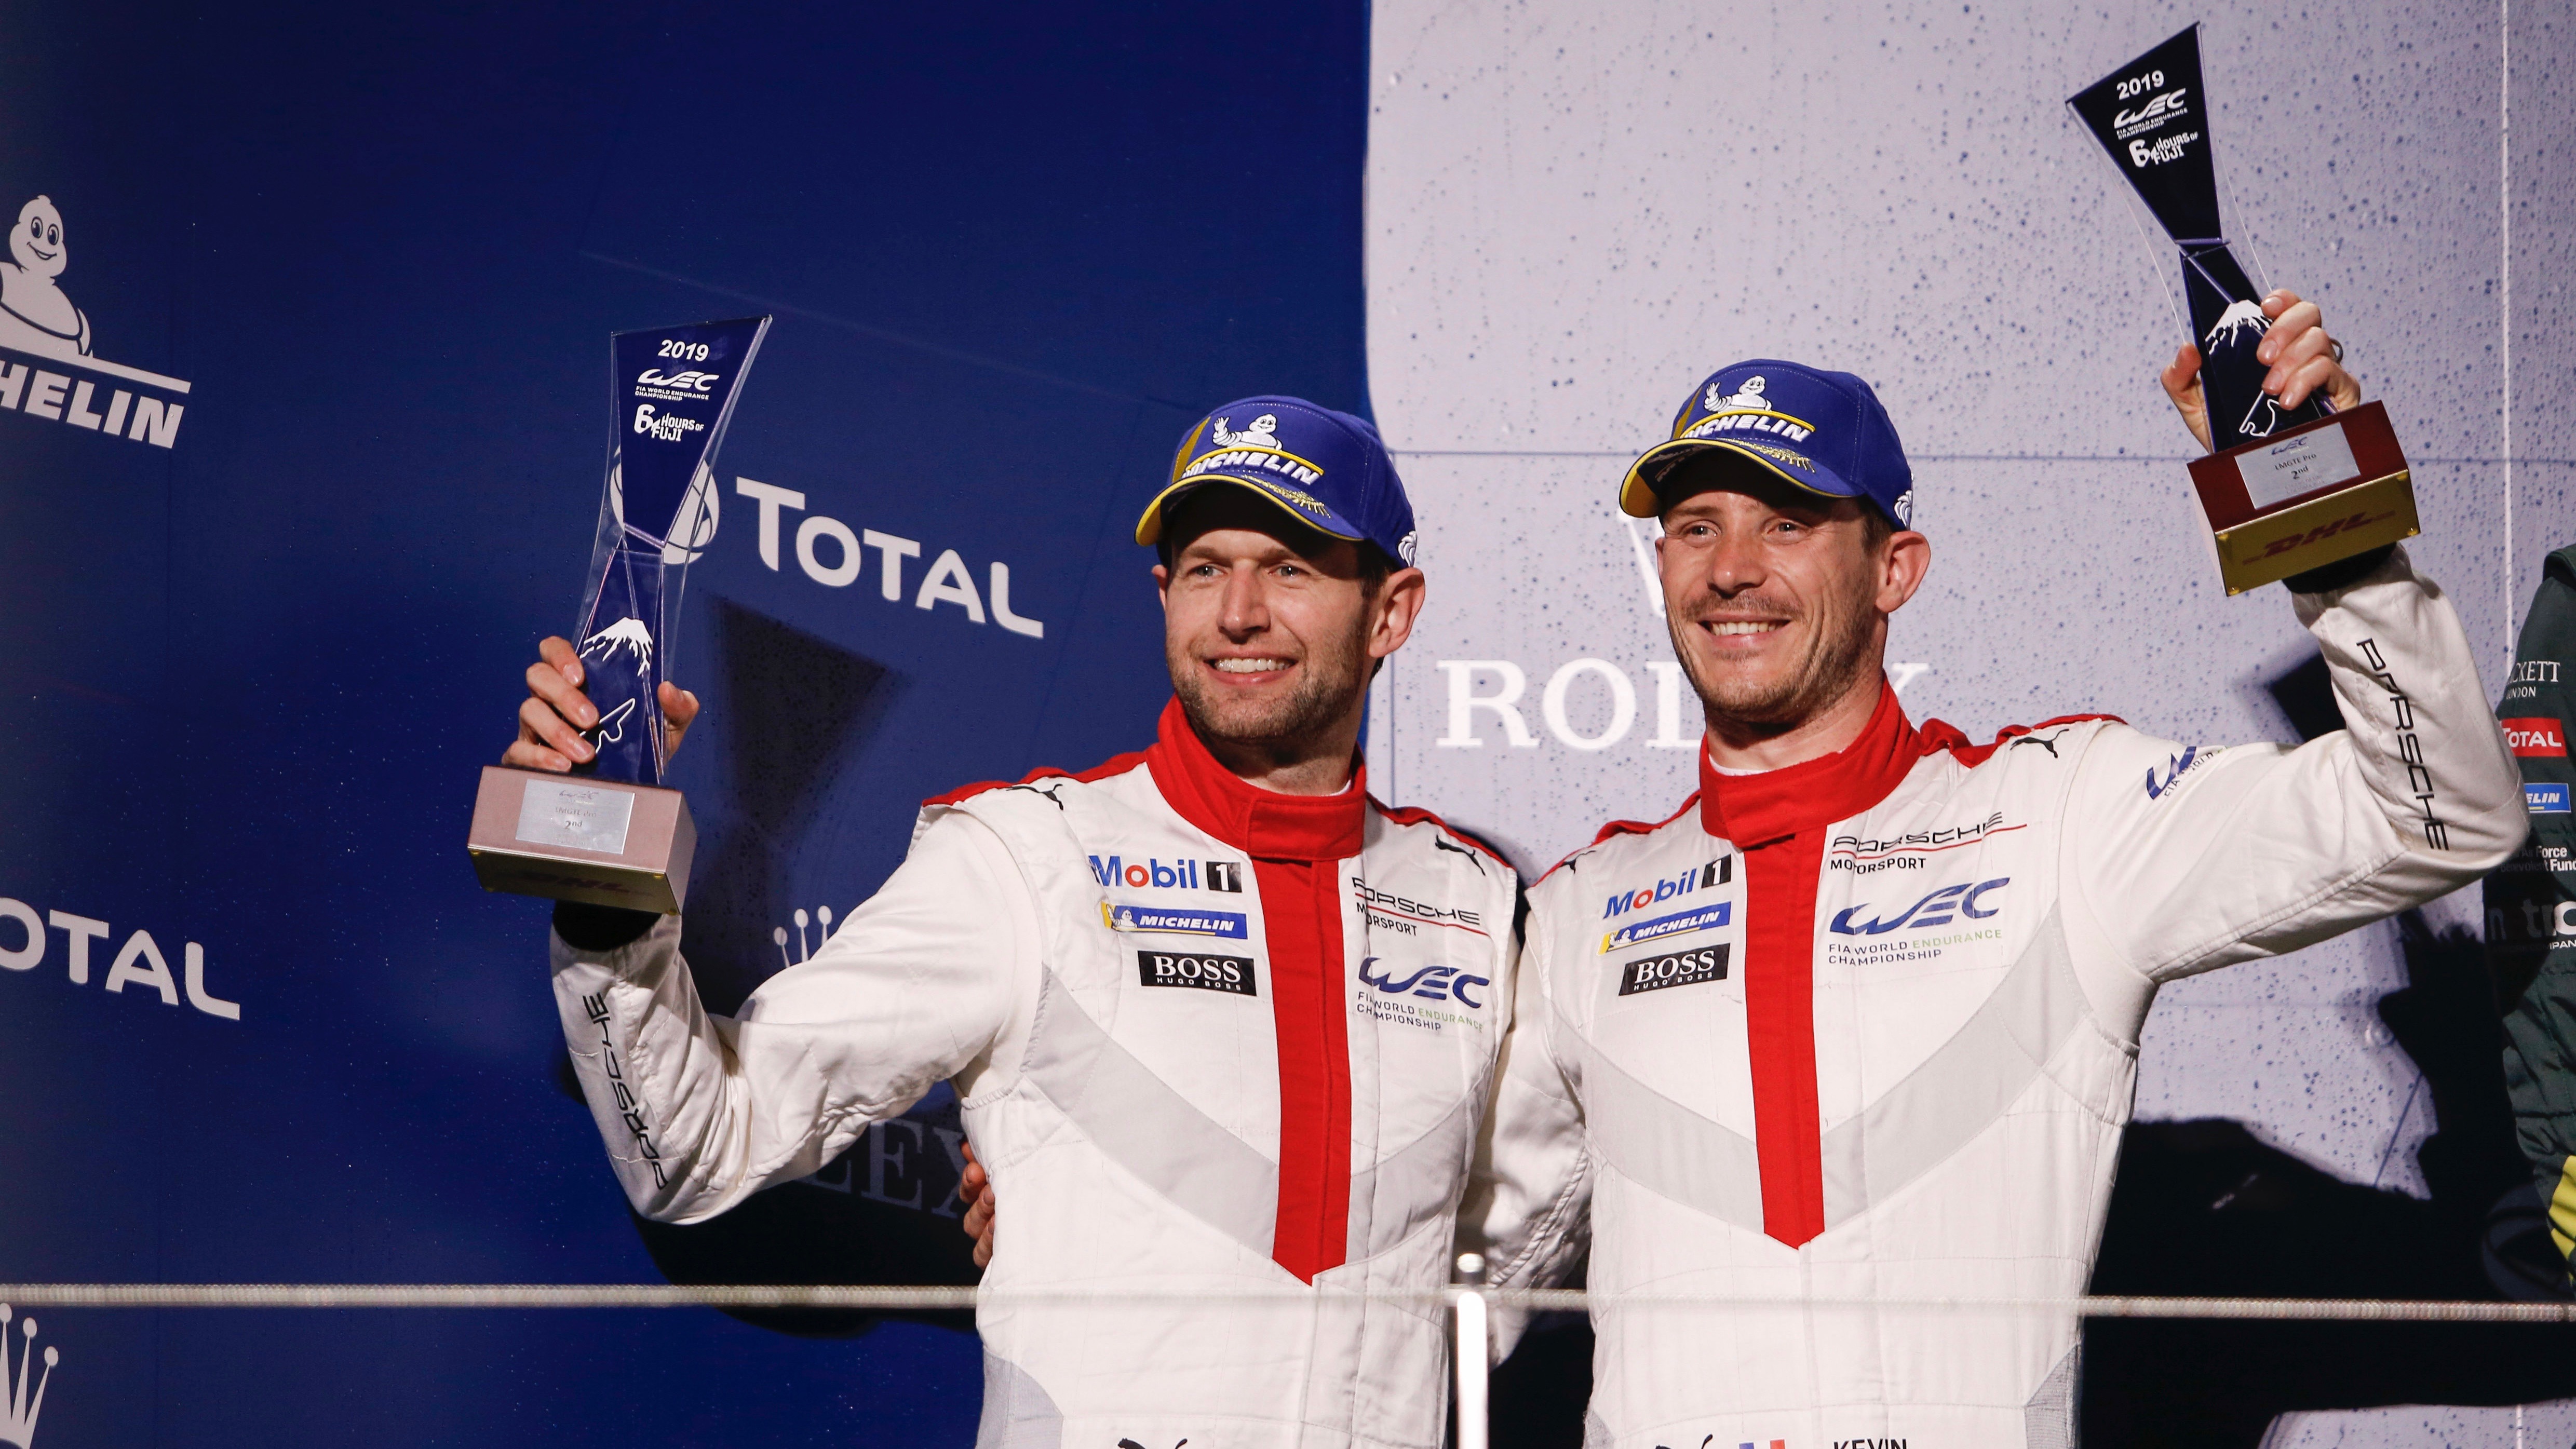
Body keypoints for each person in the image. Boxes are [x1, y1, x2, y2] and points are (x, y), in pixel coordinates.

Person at [1452, 293, 2529, 1446]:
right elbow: (1450, 1299)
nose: (1732, 568)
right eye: (1697, 525)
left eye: (1788, 521)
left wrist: (2319, 504)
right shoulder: (1579, 915)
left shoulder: (2062, 817)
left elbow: (2441, 809)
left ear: (1894, 570)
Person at [508, 397, 1526, 1449]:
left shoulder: (1478, 906)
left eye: (1290, 567)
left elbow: (1527, 1248)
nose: (1238, 612)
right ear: (1164, 591)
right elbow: (695, 1144)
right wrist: (604, 883)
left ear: (1393, 611)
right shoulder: (1024, 858)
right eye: (1207, 567)